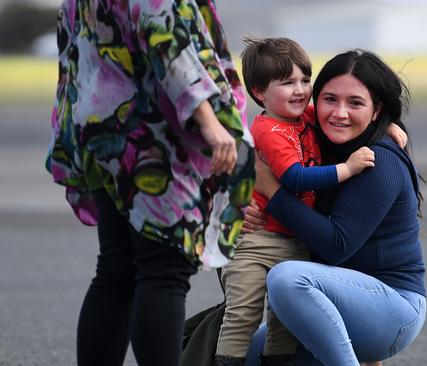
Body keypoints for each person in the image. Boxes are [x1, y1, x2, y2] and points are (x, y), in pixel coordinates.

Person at [45, 0, 253, 365]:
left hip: (100, 128)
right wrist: (207, 118)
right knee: (163, 271)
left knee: (117, 269)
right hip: (152, 137)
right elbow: (164, 32)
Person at [214, 37, 404, 366]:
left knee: (285, 296)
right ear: (259, 93)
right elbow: (296, 178)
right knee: (246, 329)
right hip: (273, 252)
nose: (301, 90)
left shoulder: (314, 123)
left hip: (388, 306)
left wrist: (388, 126)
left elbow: (336, 245)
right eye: (288, 83)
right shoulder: (275, 130)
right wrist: (235, 201)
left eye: (305, 80)